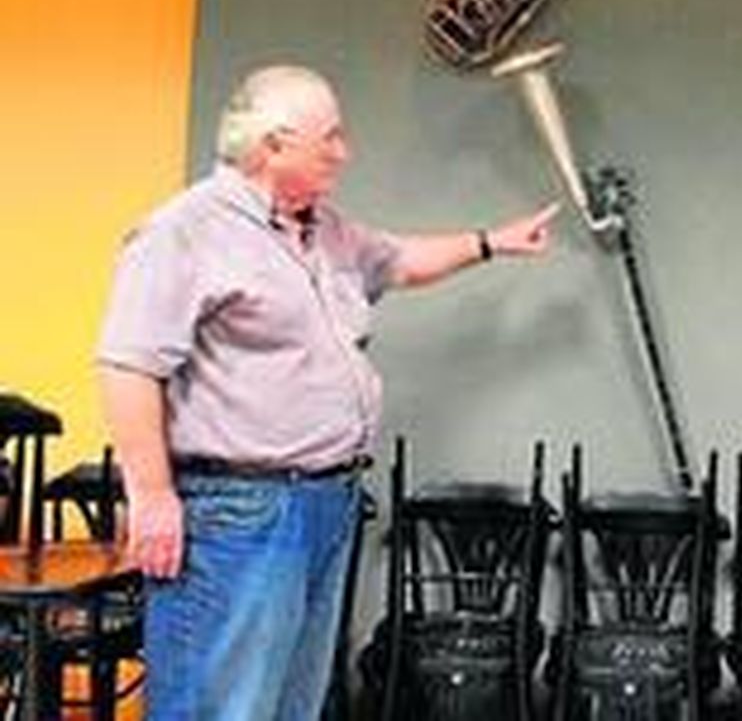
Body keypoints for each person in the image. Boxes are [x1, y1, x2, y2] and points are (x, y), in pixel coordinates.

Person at [97, 64, 559, 721]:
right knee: (224, 704)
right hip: (239, 512)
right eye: (330, 138)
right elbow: (128, 364)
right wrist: (151, 496)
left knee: (294, 703)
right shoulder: (184, 232)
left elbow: (400, 259)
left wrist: (491, 243)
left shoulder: (325, 231)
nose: (344, 152)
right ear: (273, 145)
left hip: (324, 501)